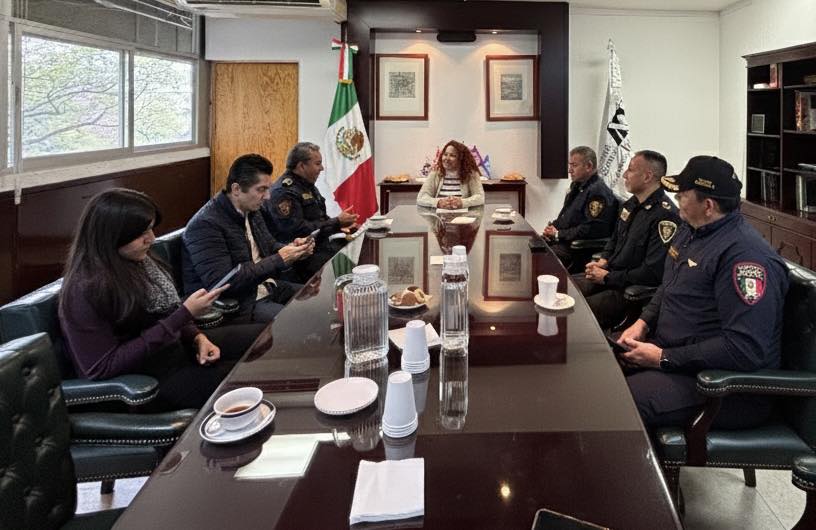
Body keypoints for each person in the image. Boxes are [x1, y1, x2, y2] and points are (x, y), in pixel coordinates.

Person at [616, 155, 789, 429]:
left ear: (708, 206)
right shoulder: (691, 230)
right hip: (676, 357)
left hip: (723, 387)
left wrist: (663, 358)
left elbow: (744, 349)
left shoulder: (745, 258)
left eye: (683, 195)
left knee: (615, 403)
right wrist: (643, 322)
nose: (676, 201)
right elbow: (670, 286)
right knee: (597, 369)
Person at [59, 188, 264, 410]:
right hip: (146, 382)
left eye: (150, 228)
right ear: (112, 236)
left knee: (265, 339)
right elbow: (102, 368)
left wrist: (197, 338)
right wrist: (183, 315)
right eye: (141, 233)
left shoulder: (138, 262)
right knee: (251, 379)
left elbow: (167, 312)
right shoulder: (85, 289)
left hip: (174, 351)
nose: (152, 238)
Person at [183, 154, 314, 323]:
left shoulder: (252, 210)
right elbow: (224, 283)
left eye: (268, 189)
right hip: (241, 303)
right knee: (299, 321)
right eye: (261, 189)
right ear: (236, 189)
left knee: (317, 300)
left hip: (265, 286)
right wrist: (280, 258)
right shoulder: (205, 225)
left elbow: (270, 246)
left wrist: (294, 250)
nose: (267, 196)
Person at [573, 150, 680, 329]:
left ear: (647, 177)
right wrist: (603, 261)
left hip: (628, 289)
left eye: (630, 170)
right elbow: (614, 240)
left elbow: (651, 272)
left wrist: (608, 277)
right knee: (563, 288)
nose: (624, 175)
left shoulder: (665, 217)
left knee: (574, 312)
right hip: (610, 275)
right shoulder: (631, 204)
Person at [263, 142, 358, 244]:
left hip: (317, 245)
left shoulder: (307, 186)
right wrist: (336, 222)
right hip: (299, 250)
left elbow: (320, 219)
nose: (322, 168)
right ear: (302, 166)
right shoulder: (284, 192)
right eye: (317, 163)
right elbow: (296, 230)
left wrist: (340, 226)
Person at [542, 146, 618, 272]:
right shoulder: (578, 186)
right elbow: (566, 216)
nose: (569, 170)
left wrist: (558, 234)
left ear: (588, 166)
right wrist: (552, 228)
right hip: (564, 241)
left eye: (574, 165)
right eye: (569, 165)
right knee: (534, 245)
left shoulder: (597, 192)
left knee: (541, 259)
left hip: (578, 249)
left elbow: (591, 229)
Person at [417, 140, 485, 209]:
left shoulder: (471, 174)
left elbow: (480, 197)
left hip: (465, 215)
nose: (447, 158)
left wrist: (462, 202)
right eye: (445, 154)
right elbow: (421, 197)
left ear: (461, 159)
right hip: (438, 215)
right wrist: (438, 202)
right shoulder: (435, 173)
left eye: (452, 155)